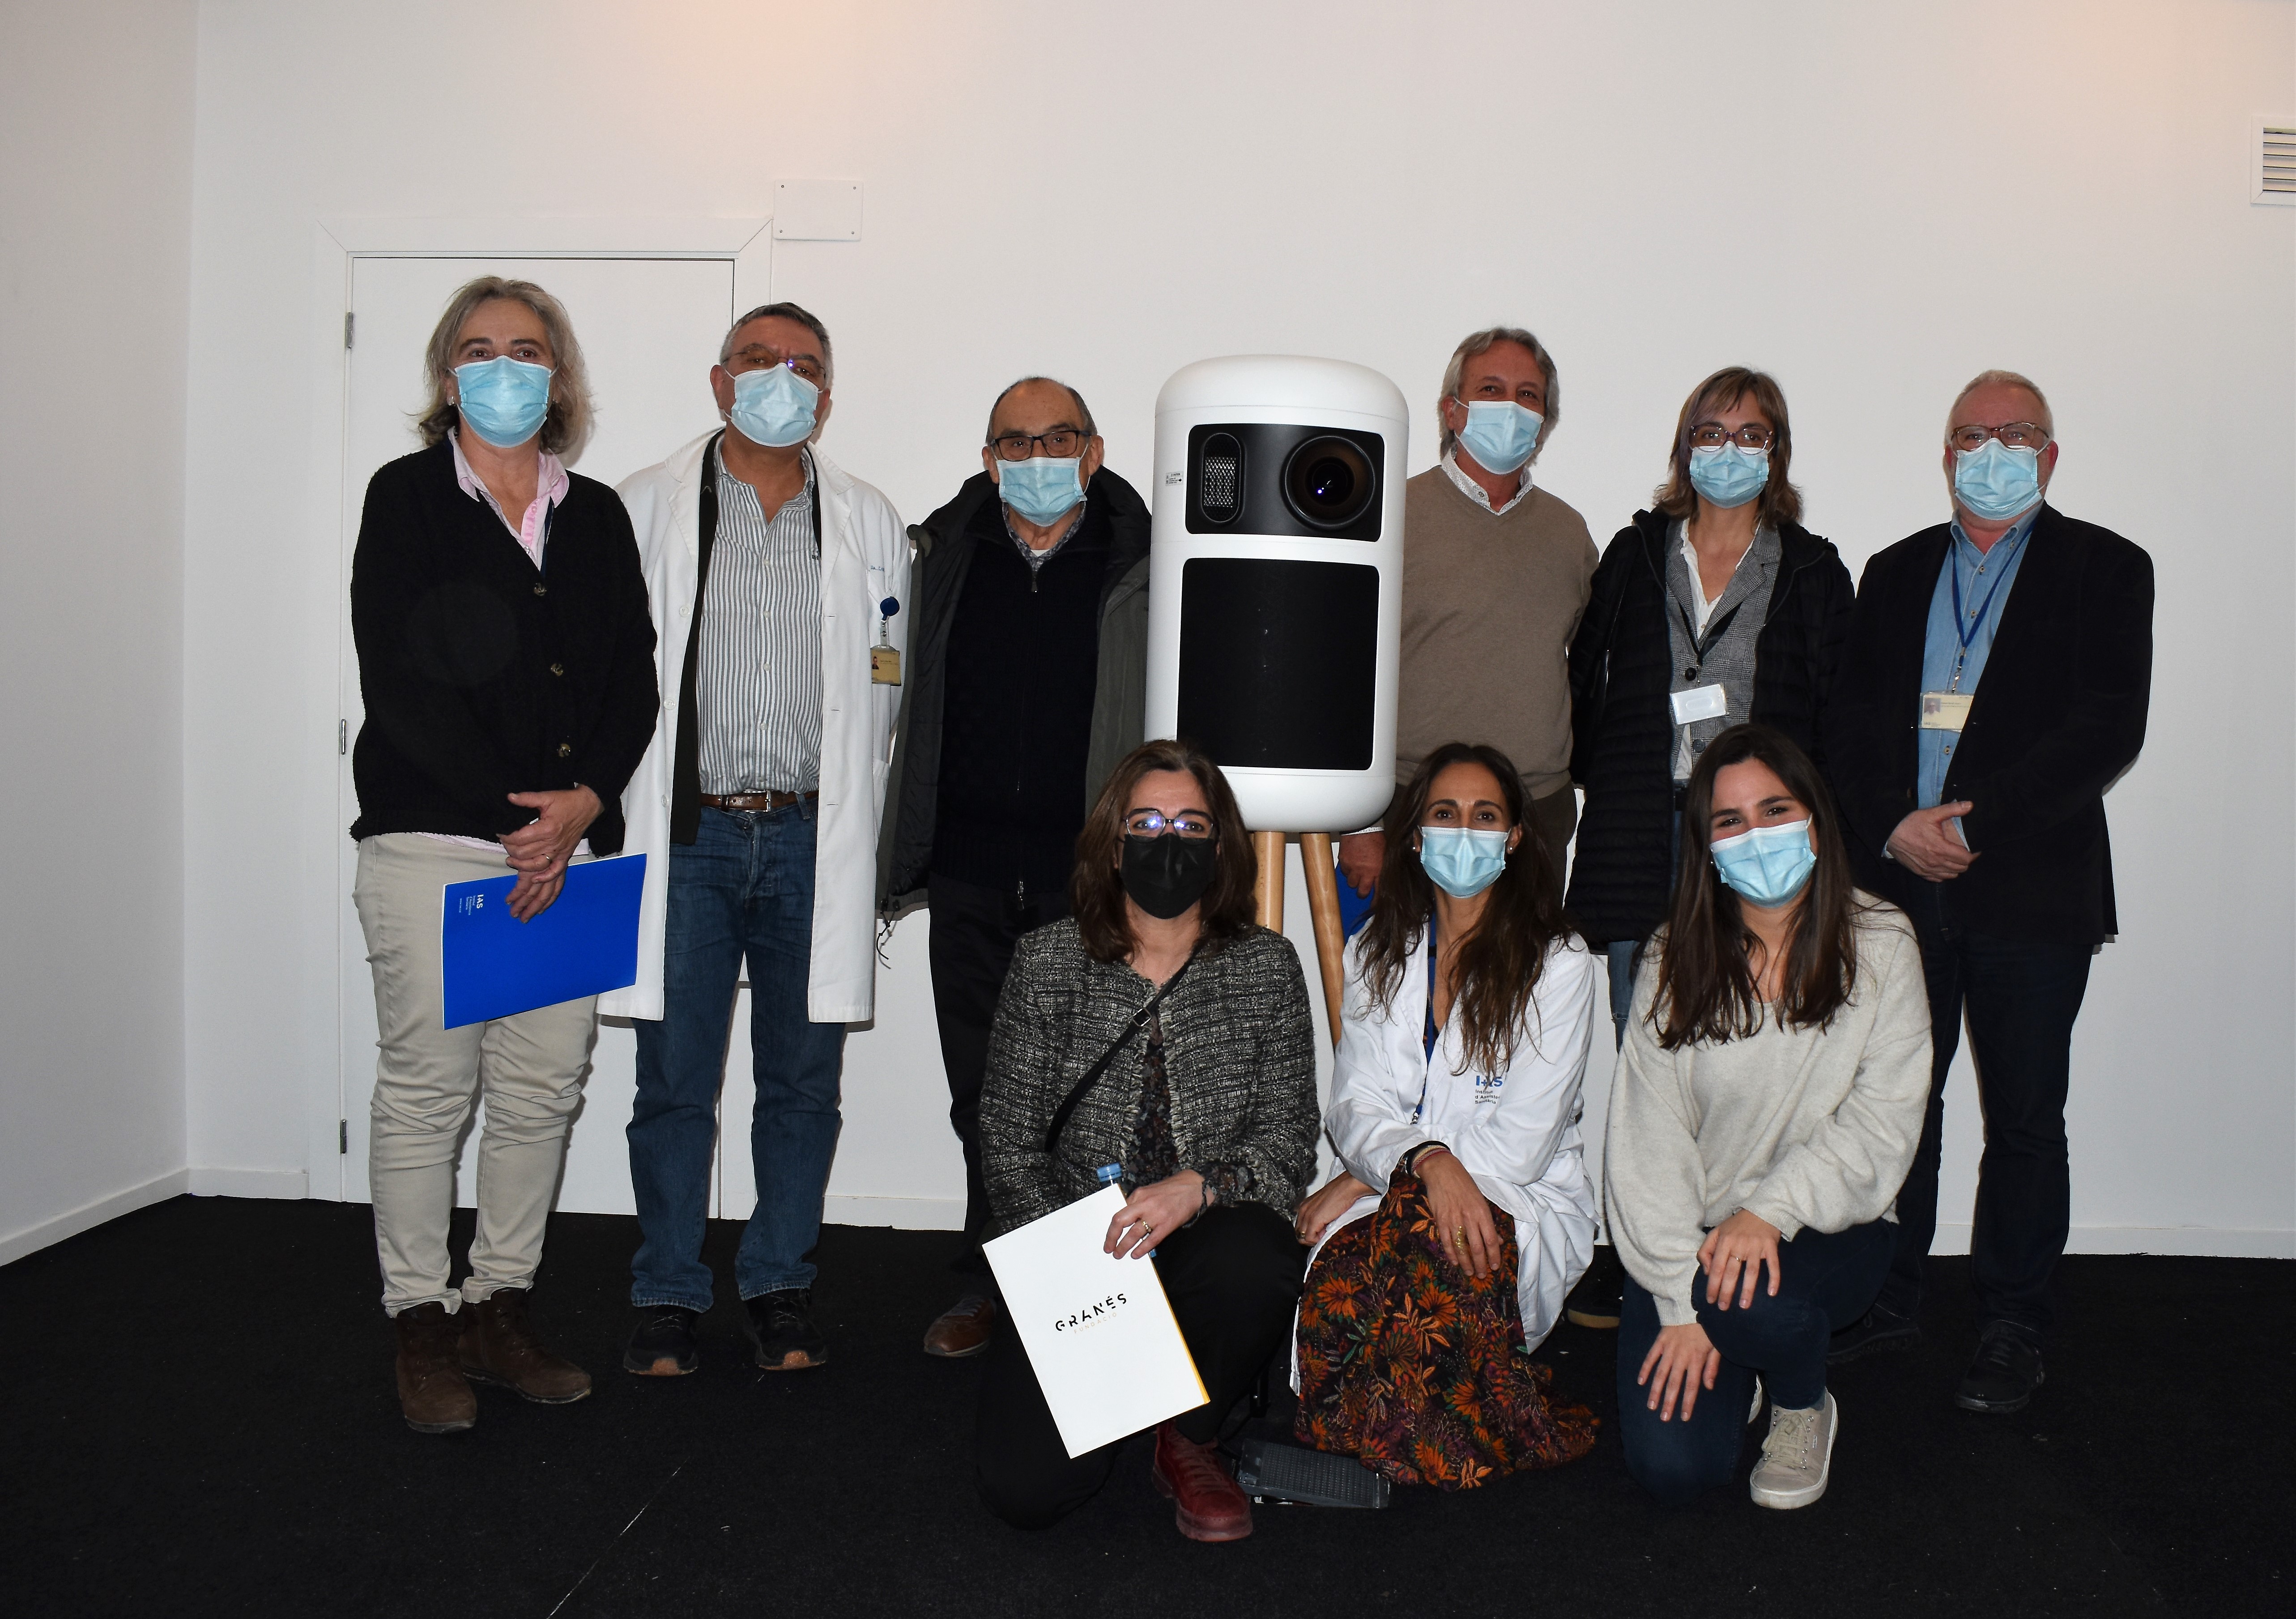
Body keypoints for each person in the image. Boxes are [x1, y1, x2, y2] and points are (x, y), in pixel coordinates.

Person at [348, 276, 659, 1433]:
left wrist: (582, 805)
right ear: (447, 376)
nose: (503, 368)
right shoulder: (405, 497)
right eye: (478, 349)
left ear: (557, 375)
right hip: (437, 844)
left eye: (526, 349)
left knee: (541, 1089)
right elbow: (400, 675)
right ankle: (419, 1320)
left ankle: (499, 1306)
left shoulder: (597, 516)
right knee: (429, 1091)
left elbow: (633, 678)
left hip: (566, 854)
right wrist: (515, 819)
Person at [1822, 371, 2153, 1413]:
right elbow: (1848, 722)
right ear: (1946, 454)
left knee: (2024, 1116)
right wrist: (1893, 824)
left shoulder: (2107, 567)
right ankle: (1884, 1295)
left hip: (2031, 890)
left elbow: (2106, 729)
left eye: (2016, 434)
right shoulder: (1894, 570)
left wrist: (1971, 824)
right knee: (1896, 1104)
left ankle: (2014, 1320)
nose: (1993, 450)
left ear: (2050, 456)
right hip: (1898, 886)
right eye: (1972, 434)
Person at [602, 303, 908, 1378]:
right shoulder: (643, 505)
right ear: (720, 379)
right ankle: (667, 1289)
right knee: (674, 1082)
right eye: (760, 359)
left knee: (802, 1083)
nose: (784, 378)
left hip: (814, 834)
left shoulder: (867, 518)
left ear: (827, 392)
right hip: (689, 833)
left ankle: (780, 1281)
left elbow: (888, 685)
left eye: (805, 365)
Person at [1562, 367, 1855, 1329]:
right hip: (1639, 838)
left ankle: (1744, 1242)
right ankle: (1646, 1254)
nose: (1730, 450)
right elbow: (1585, 683)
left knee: (1755, 1053)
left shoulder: (1809, 569)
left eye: (1751, 433)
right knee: (1645, 1058)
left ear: (1777, 452)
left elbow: (1832, 716)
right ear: (1684, 447)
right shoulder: (1635, 554)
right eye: (1712, 432)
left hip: (1756, 845)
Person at [975, 740, 1319, 1542]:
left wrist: (1199, 1186)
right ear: (1113, 841)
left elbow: (1288, 1140)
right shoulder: (1047, 960)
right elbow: (1007, 1144)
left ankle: (1186, 1432)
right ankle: (1127, 1377)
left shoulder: (1266, 966)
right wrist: (1081, 1253)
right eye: (1148, 823)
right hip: (1081, 1252)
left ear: (1221, 845)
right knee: (1028, 1491)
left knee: (1258, 1255)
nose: (1170, 842)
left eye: (1192, 825)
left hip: (1207, 1239)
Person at [876, 376, 1151, 1360]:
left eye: (1058, 439)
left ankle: (1091, 1301)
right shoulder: (945, 553)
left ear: (1094, 451)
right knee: (984, 1099)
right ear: (990, 460)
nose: (1038, 459)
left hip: (1090, 880)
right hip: (970, 874)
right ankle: (996, 1283)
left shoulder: (1145, 561)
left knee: (1091, 1098)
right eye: (1016, 443)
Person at [1607, 724, 1929, 1510]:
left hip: (1829, 1227)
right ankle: (1740, 1343)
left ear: (1814, 820)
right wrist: (1681, 1301)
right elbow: (1646, 1143)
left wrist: (1767, 1212)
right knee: (1674, 1469)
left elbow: (1881, 1123)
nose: (1755, 835)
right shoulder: (1669, 958)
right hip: (1695, 1241)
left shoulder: (1882, 942)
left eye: (1775, 810)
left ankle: (1799, 1402)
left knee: (1749, 1300)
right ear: (1706, 847)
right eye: (1730, 821)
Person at [1293, 743, 1601, 1488]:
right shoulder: (1377, 951)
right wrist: (1417, 1164)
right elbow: (1355, 1105)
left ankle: (1402, 1437)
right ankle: (1401, 1431)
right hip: (1402, 1180)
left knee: (1430, 1249)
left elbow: (1519, 1146)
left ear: (1515, 837)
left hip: (1513, 1195)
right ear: (1413, 835)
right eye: (1444, 813)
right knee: (1343, 1277)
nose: (1464, 831)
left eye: (1484, 815)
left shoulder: (1558, 962)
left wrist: (1376, 1177)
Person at [1338, 327, 1597, 901]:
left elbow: (1587, 666)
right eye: (1491, 389)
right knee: (1401, 963)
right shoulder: (1390, 516)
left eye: (1528, 395)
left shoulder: (1568, 533)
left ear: (1545, 421)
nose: (1511, 407)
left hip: (1537, 810)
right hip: (1409, 804)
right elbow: (1343, 670)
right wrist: (1360, 823)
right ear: (1451, 411)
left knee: (1531, 964)